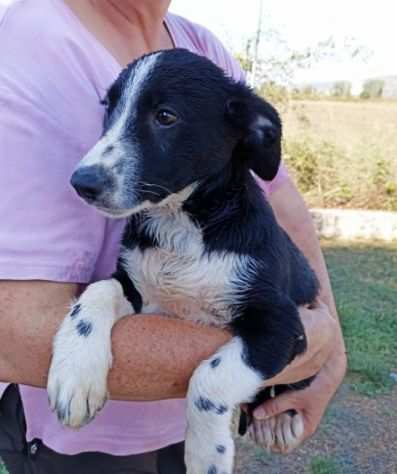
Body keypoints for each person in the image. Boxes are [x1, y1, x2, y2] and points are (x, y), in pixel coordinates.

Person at [0, 0, 347, 472]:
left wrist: (327, 358)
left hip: (183, 422)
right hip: (86, 443)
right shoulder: (31, 36)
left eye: (164, 118)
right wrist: (306, 349)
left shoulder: (199, 45)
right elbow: (14, 333)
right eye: (113, 110)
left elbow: (283, 199)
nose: (94, 164)